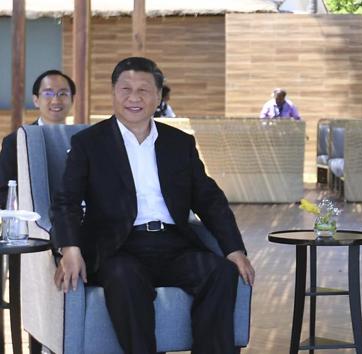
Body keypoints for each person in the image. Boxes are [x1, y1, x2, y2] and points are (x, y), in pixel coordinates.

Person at [51, 57, 255, 354]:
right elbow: (66, 199)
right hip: (118, 247)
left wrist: (234, 250)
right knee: (124, 278)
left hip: (173, 245)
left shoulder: (179, 143)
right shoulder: (89, 143)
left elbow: (209, 198)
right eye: (125, 89)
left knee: (220, 273)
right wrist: (69, 247)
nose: (134, 98)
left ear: (159, 96)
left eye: (144, 90)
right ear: (113, 92)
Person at [0, 69, 76, 208]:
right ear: (36, 100)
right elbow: (4, 191)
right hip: (29, 221)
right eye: (48, 93)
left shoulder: (82, 139)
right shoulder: (16, 141)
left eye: (63, 93)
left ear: (72, 99)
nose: (55, 100)